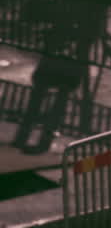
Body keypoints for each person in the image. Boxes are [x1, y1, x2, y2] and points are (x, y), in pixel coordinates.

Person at [12, 23, 91, 155]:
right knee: (58, 105)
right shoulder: (84, 31)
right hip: (69, 68)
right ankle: (43, 141)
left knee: (37, 101)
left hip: (53, 64)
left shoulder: (60, 25)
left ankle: (23, 138)